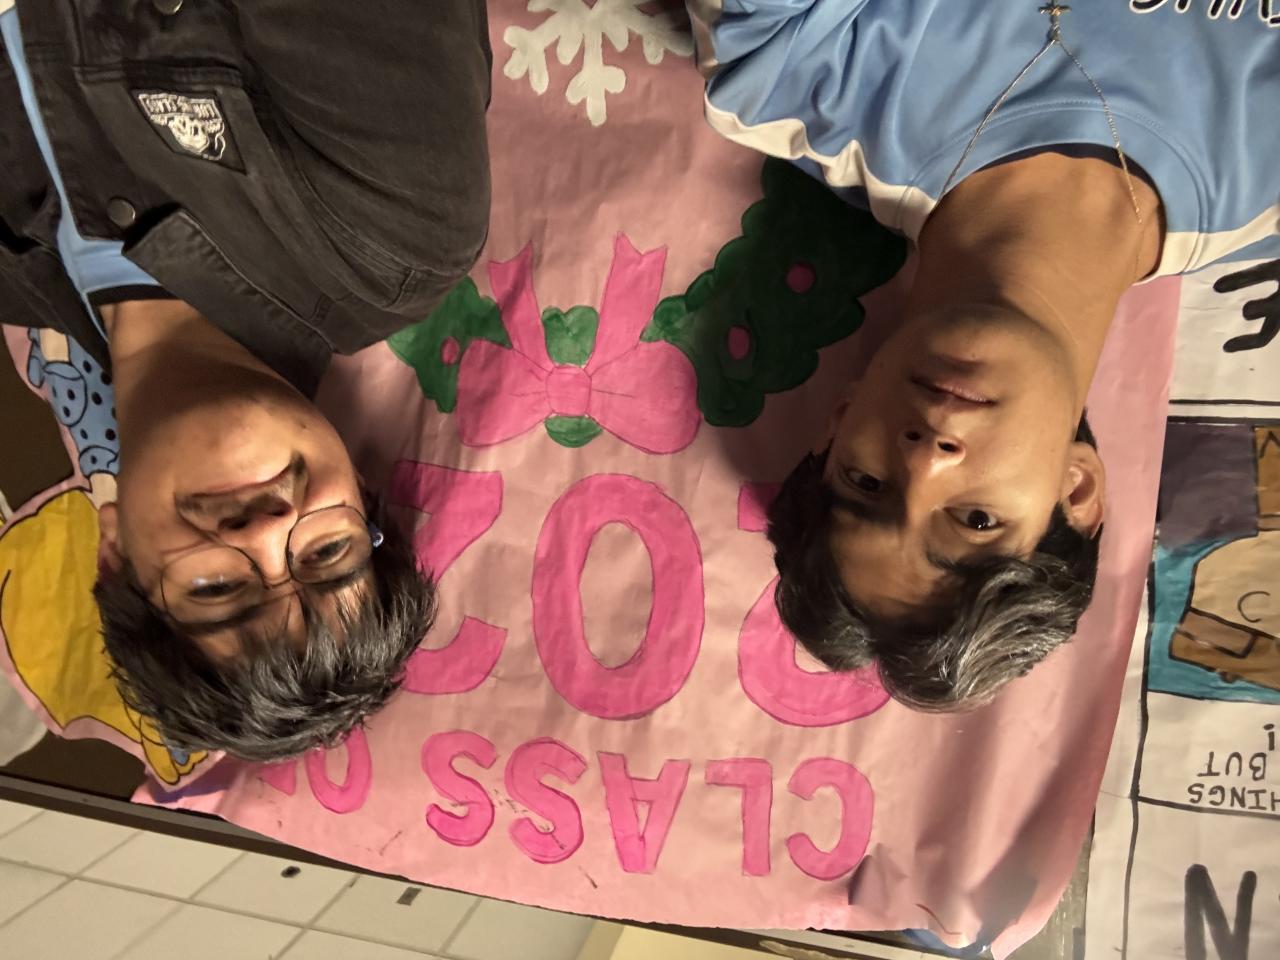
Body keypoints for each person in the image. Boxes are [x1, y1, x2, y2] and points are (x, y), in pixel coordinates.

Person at [689, 0, 1280, 708]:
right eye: (976, 520)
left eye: (867, 482)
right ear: (1076, 490)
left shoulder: (790, 68)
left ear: (840, 422)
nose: (926, 459)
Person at [0, 0, 492, 760]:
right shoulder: (394, 232)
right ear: (359, 496)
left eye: (216, 591)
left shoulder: (11, 273)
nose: (264, 533)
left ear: (115, 555)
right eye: (325, 555)